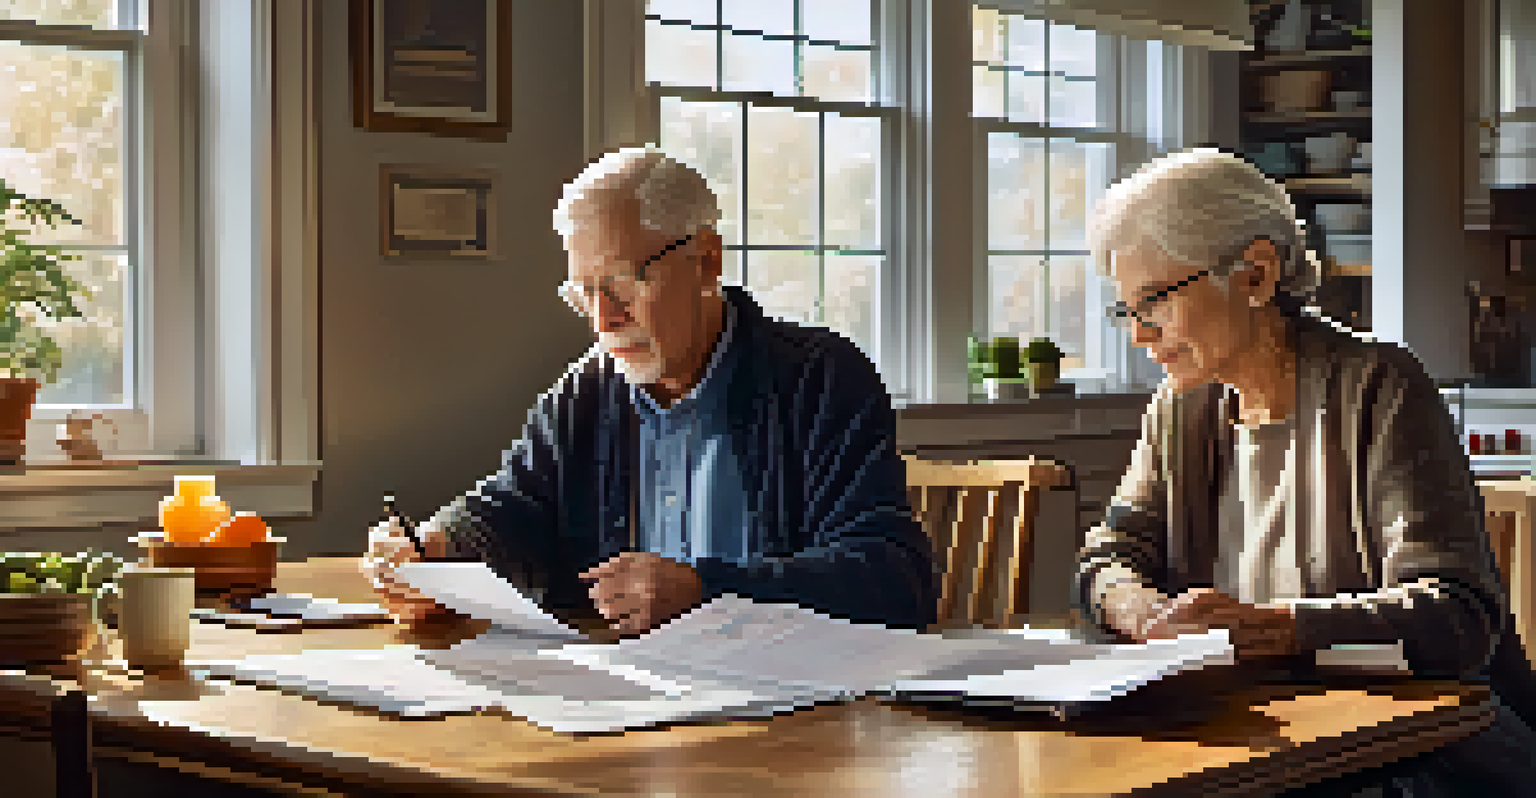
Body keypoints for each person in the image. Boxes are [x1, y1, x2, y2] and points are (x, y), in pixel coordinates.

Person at [1076, 147, 1536, 796]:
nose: (1139, 337)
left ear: (1256, 274)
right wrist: (1137, 606)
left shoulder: (1380, 384)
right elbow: (1107, 556)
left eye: (1154, 301)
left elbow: (1456, 621)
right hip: (1272, 738)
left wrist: (1273, 630)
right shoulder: (1179, 411)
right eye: (1127, 310)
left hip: (1424, 750)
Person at [363, 146, 938, 635]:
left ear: (706, 260)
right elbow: (513, 508)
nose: (603, 320)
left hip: (797, 719)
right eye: (584, 294)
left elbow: (893, 579)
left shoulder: (822, 380)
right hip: (622, 712)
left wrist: (709, 589)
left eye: (621, 284)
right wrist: (436, 548)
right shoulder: (585, 392)